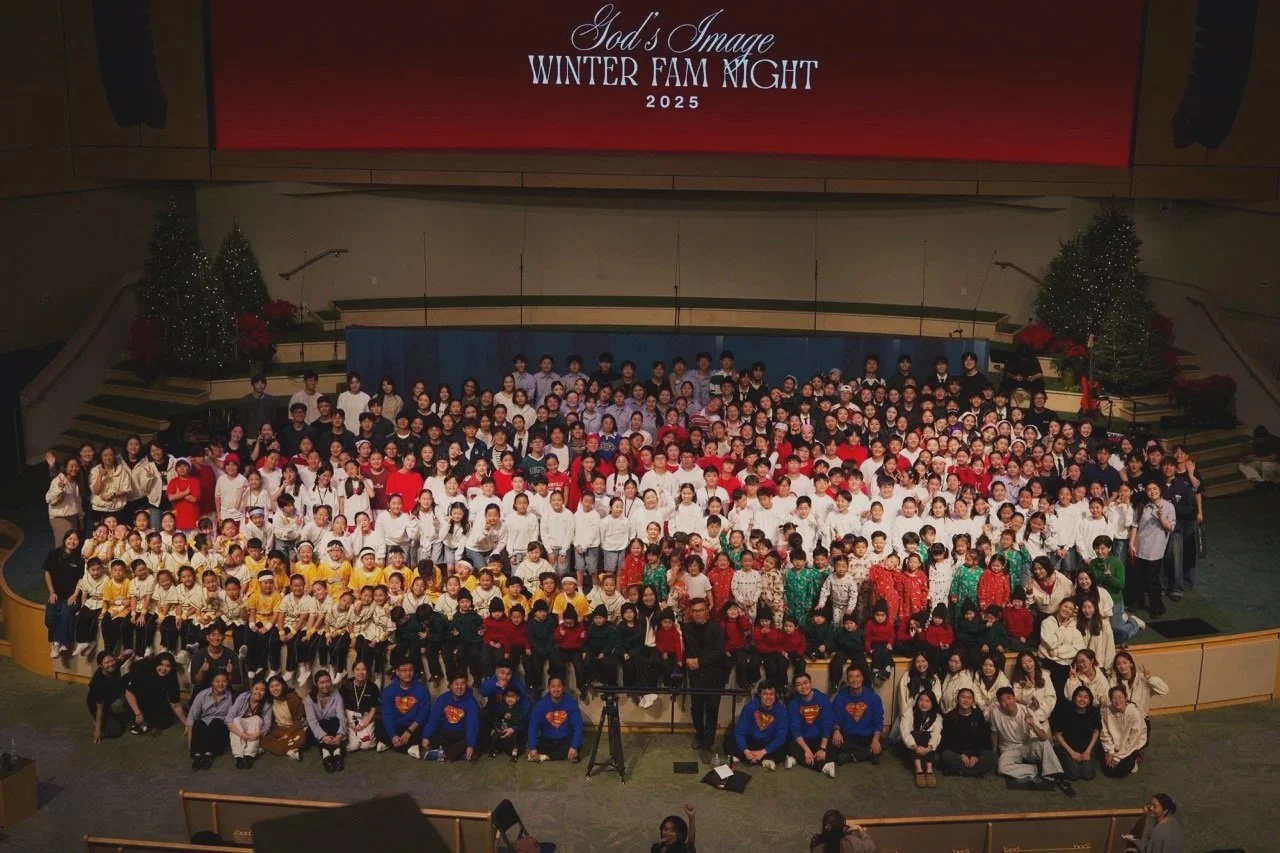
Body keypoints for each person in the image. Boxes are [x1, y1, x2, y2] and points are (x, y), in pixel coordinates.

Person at [991, 686, 1073, 795]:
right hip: (1008, 749)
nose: (1007, 702)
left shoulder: (1026, 711)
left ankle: (1057, 775)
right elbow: (994, 733)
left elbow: (1043, 737)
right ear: (999, 703)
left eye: (1009, 698)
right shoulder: (995, 712)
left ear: (1014, 698)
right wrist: (994, 752)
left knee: (1043, 742)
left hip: (1026, 745)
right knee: (1001, 768)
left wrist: (1032, 724)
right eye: (1002, 700)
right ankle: (1037, 769)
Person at [681, 597, 726, 761]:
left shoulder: (716, 628)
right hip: (695, 675)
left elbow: (719, 652)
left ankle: (708, 744)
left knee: (712, 709)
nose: (698, 614)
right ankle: (699, 735)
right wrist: (687, 660)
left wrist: (700, 661)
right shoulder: (687, 628)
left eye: (701, 610)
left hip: (714, 675)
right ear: (691, 613)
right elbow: (684, 649)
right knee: (697, 708)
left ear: (707, 611)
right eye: (695, 611)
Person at [1129, 482, 1174, 618]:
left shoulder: (1168, 506)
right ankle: (1139, 602)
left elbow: (1170, 527)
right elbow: (1135, 526)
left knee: (1153, 579)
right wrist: (1131, 543)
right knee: (1139, 577)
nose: (1152, 491)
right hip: (1140, 546)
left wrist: (1161, 517)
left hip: (1155, 549)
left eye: (1155, 488)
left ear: (1160, 490)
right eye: (1149, 489)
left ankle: (1157, 607)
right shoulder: (1142, 506)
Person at [725, 681, 789, 769]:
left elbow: (780, 737)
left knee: (785, 743)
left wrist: (763, 752)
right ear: (760, 694)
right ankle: (761, 759)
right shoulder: (749, 707)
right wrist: (746, 750)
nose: (768, 697)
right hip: (752, 740)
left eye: (771, 694)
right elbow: (740, 731)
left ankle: (751, 758)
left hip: (768, 744)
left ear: (775, 695)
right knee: (731, 739)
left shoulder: (781, 711)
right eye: (765, 694)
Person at [830, 666, 883, 766]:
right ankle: (868, 753)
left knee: (885, 742)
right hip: (848, 736)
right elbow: (835, 717)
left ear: (862, 678)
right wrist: (836, 731)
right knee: (832, 742)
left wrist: (875, 740)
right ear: (847, 679)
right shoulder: (840, 697)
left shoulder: (874, 698)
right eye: (851, 677)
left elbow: (878, 721)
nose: (855, 680)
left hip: (867, 736)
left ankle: (850, 756)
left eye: (857, 676)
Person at [937, 687, 995, 777]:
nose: (966, 700)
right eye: (963, 697)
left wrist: (975, 755)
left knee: (991, 756)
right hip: (957, 751)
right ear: (958, 699)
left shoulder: (978, 715)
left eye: (969, 698)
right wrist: (961, 754)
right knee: (945, 755)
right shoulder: (950, 716)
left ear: (973, 701)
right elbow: (947, 740)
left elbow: (983, 739)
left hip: (975, 751)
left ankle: (958, 771)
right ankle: (975, 772)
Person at [423, 674, 482, 762]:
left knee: (475, 740)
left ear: (466, 685)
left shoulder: (471, 702)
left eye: (462, 684)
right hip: (445, 734)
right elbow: (434, 720)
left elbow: (472, 725)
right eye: (456, 684)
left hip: (462, 734)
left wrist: (470, 745)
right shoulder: (443, 699)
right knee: (432, 735)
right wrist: (426, 736)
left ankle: (443, 754)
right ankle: (459, 755)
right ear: (451, 686)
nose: (459, 687)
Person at [124, 651, 186, 734]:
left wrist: (187, 724)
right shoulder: (143, 669)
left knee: (165, 722)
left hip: (154, 695)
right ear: (156, 664)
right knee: (137, 712)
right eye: (161, 664)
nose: (164, 669)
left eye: (168, 666)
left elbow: (176, 704)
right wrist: (138, 713)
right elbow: (129, 692)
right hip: (135, 695)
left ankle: (146, 717)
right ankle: (138, 716)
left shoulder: (172, 677)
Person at [787, 673, 836, 777]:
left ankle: (797, 759)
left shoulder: (822, 698)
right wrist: (807, 750)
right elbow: (795, 729)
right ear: (795, 688)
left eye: (805, 683)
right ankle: (824, 766)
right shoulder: (793, 704)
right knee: (790, 744)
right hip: (803, 741)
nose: (803, 687)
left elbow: (827, 724)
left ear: (810, 683)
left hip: (820, 738)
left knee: (836, 742)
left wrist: (822, 748)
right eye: (799, 685)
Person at [44, 529, 83, 658]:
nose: (72, 541)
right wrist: (52, 592)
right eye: (70, 538)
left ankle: (56, 644)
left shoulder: (80, 558)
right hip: (56, 594)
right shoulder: (54, 554)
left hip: (72, 595)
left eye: (75, 539)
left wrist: (75, 595)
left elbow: (81, 579)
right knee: (50, 615)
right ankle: (62, 641)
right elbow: (47, 572)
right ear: (65, 539)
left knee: (66, 613)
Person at [527, 675, 583, 762]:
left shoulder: (571, 703)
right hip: (548, 740)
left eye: (559, 686)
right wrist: (532, 747)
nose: (556, 690)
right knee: (536, 745)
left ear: (563, 687)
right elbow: (533, 726)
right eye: (553, 686)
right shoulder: (541, 704)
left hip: (565, 740)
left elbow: (578, 726)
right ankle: (558, 756)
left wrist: (574, 747)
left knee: (577, 746)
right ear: (548, 688)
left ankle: (543, 757)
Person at [187, 670, 235, 770]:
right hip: (204, 725)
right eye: (217, 681)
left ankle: (208, 755)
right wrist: (190, 741)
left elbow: (230, 717)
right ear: (212, 682)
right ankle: (198, 756)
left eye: (224, 681)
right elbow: (192, 716)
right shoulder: (202, 695)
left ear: (227, 682)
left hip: (219, 728)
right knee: (198, 723)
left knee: (216, 722)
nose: (221, 684)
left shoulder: (231, 696)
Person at [1053, 686, 1101, 782]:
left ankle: (1084, 759)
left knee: (1088, 774)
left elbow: (1096, 731)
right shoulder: (1066, 711)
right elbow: (1058, 734)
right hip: (1068, 748)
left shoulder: (1093, 712)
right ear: (1074, 698)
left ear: (1089, 700)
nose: (1082, 699)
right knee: (1074, 774)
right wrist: (1072, 753)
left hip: (1086, 748)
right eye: (1079, 696)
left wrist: (1088, 751)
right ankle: (1061, 759)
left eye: (1085, 697)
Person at [305, 670, 348, 772]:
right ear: (316, 684)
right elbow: (312, 721)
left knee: (334, 720)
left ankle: (334, 755)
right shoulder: (309, 699)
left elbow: (341, 716)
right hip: (318, 730)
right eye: (322, 682)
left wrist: (340, 735)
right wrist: (323, 736)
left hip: (334, 728)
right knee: (322, 723)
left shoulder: (336, 695)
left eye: (328, 681)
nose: (326, 685)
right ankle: (329, 755)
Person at [898, 690, 942, 788]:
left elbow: (936, 735)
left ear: (932, 703)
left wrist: (928, 749)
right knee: (916, 733)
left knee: (927, 735)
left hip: (927, 749)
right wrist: (915, 747)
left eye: (927, 701)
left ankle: (929, 769)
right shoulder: (910, 712)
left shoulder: (937, 717)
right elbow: (904, 732)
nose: (923, 703)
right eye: (921, 700)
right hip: (910, 747)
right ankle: (919, 770)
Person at [1100, 686, 1146, 778]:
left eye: (1120, 697)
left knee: (1121, 771)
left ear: (1126, 698)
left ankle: (1136, 757)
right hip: (1114, 746)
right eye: (1114, 698)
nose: (1117, 700)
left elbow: (1133, 740)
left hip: (1130, 746)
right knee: (1109, 771)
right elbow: (1105, 733)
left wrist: (1117, 757)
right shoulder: (1107, 710)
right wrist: (1110, 751)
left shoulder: (1134, 713)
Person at [226, 679, 272, 769]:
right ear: (251, 689)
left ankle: (249, 756)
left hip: (254, 729)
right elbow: (229, 718)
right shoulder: (243, 697)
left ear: (265, 692)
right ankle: (239, 756)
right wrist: (241, 734)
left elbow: (267, 724)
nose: (259, 692)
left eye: (262, 690)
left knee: (257, 719)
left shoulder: (266, 704)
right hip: (241, 726)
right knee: (235, 720)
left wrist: (257, 734)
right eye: (256, 689)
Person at [87, 651, 130, 742]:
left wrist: (121, 656)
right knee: (115, 732)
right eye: (107, 663)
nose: (111, 664)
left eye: (112, 660)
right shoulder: (98, 682)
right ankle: (97, 720)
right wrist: (97, 729)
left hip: (113, 697)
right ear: (100, 666)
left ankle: (117, 714)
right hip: (100, 706)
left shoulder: (116, 665)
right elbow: (99, 706)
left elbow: (131, 652)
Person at [809, 810, 875, 853]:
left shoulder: (816, 843)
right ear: (842, 825)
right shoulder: (852, 843)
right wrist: (860, 829)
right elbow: (871, 847)